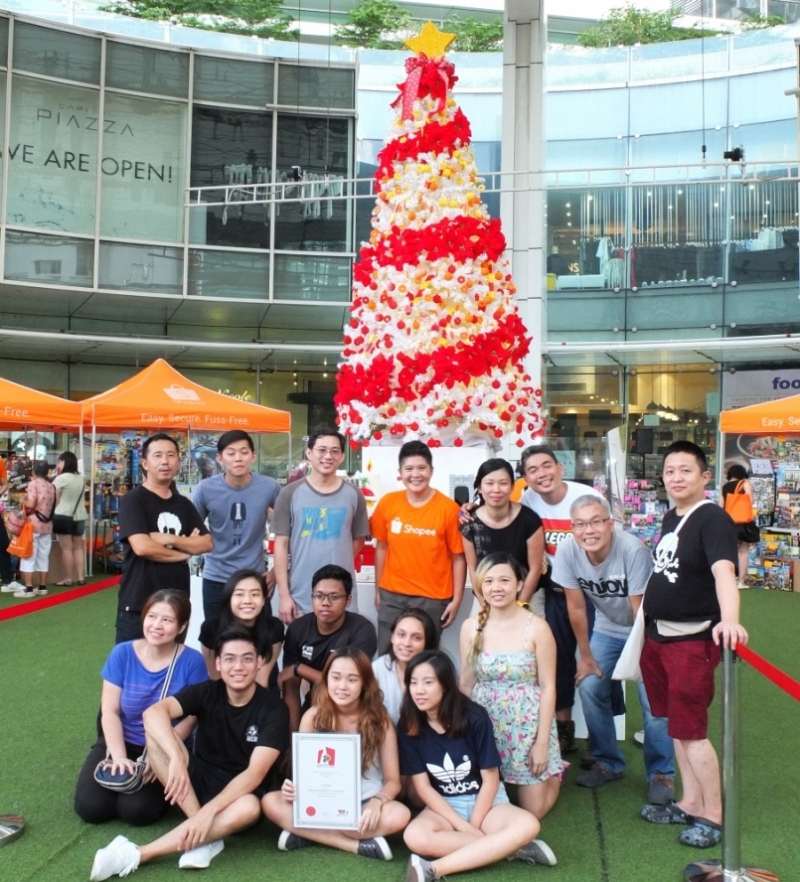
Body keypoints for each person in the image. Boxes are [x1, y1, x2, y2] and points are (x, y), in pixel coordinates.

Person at [89, 625, 289, 879]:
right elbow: (153, 713)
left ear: (259, 662)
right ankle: (206, 837)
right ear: (218, 663)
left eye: (247, 659)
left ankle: (139, 853)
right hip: (197, 780)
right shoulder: (207, 691)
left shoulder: (273, 709)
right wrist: (175, 757)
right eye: (229, 659)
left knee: (250, 807)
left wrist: (207, 813)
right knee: (157, 735)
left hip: (239, 792)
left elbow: (254, 774)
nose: (238, 667)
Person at [639, 441, 748, 849]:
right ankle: (689, 802)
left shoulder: (712, 518)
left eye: (685, 470)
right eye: (670, 471)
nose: (676, 478)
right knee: (676, 726)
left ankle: (713, 815)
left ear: (705, 476)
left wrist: (730, 620)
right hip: (659, 637)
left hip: (690, 640)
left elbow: (724, 572)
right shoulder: (672, 517)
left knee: (692, 731)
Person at [553, 495, 675, 802]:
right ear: (572, 528)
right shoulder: (568, 551)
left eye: (596, 522)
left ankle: (661, 773)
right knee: (590, 685)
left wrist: (646, 663)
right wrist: (586, 656)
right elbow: (576, 607)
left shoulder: (632, 550)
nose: (588, 530)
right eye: (580, 524)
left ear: (610, 523)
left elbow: (640, 612)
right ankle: (607, 762)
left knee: (654, 702)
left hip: (646, 629)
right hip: (607, 627)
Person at [399, 650, 555, 882]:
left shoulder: (474, 717)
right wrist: (462, 826)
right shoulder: (408, 724)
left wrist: (474, 824)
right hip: (444, 804)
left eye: (428, 682)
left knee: (528, 825)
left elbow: (491, 780)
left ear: (445, 685)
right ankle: (512, 847)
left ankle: (433, 869)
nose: (419, 690)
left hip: (487, 800)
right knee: (414, 837)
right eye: (413, 683)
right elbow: (423, 788)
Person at [74, 590, 208, 826]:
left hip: (165, 744)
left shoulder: (192, 661)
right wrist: (119, 757)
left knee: (137, 811)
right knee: (91, 807)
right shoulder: (122, 653)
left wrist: (159, 756)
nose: (156, 625)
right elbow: (110, 712)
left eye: (167, 620)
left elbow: (193, 717)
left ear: (181, 626)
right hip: (122, 740)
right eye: (152, 616)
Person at [263, 647, 411, 860]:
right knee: (270, 801)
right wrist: (293, 788)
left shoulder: (380, 722)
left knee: (400, 814)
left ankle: (308, 834)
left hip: (363, 804)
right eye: (335, 678)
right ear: (326, 680)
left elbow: (393, 781)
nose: (342, 686)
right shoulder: (313, 717)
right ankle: (354, 844)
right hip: (321, 802)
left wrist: (377, 802)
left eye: (352, 680)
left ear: (365, 683)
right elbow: (304, 774)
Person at [516, 444, 609, 755]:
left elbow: (610, 543)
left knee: (597, 663)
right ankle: (564, 730)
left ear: (560, 468)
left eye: (546, 466)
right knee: (557, 663)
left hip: (593, 597)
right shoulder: (527, 500)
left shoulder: (587, 498)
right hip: (556, 596)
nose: (541, 474)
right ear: (526, 478)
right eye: (532, 470)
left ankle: (601, 739)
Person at [459, 553, 562, 827]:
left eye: (504, 580)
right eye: (489, 581)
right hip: (484, 724)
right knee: (478, 805)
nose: (496, 588)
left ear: (519, 584)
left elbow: (548, 687)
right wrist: (457, 733)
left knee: (532, 812)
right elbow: (466, 684)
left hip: (526, 727)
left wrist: (542, 744)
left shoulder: (538, 628)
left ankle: (555, 772)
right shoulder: (470, 627)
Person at [370, 440, 466, 652]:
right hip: (392, 595)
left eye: (422, 468)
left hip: (433, 599)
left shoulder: (449, 509)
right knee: (387, 655)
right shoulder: (388, 503)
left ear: (431, 470)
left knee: (425, 660)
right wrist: (378, 590)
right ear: (400, 472)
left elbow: (458, 557)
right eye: (409, 469)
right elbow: (382, 547)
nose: (415, 474)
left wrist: (457, 599)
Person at [115, 433, 212, 643]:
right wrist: (183, 554)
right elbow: (143, 547)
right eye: (158, 455)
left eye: (170, 455)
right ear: (145, 463)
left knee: (172, 662)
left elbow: (206, 543)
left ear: (178, 461)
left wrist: (170, 539)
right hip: (139, 603)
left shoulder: (184, 505)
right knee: (133, 662)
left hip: (176, 604)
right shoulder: (133, 500)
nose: (165, 461)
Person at [272, 428, 369, 624]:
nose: (328, 456)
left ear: (342, 456)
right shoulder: (290, 493)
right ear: (309, 453)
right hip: (301, 596)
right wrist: (284, 595)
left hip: (341, 596)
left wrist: (338, 558)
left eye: (335, 451)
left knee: (343, 643)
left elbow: (359, 539)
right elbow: (280, 545)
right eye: (321, 450)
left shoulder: (354, 494)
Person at [193, 430, 280, 621]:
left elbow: (289, 530)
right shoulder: (205, 489)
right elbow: (192, 530)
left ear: (253, 456)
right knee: (215, 634)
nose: (238, 458)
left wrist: (276, 572)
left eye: (244, 452)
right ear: (220, 458)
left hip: (254, 577)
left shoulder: (269, 487)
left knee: (259, 634)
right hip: (216, 577)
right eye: (231, 453)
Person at [280, 564, 377, 730]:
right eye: (319, 596)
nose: (325, 603)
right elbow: (290, 687)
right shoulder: (298, 629)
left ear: (348, 600)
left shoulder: (362, 630)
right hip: (316, 705)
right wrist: (294, 737)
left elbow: (348, 684)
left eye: (334, 597)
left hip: (355, 709)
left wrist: (299, 668)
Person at [459, 458, 544, 608]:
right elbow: (473, 569)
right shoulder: (470, 522)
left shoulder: (529, 520)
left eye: (503, 483)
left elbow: (535, 567)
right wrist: (485, 606)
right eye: (489, 483)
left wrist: (520, 605)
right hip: (486, 597)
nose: (496, 489)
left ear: (512, 487)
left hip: (527, 596)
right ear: (479, 487)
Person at [198, 569, 284, 693]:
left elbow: (261, 680)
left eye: (255, 594)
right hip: (221, 696)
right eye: (239, 594)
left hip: (259, 696)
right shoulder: (211, 629)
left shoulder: (273, 628)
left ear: (263, 600)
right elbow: (216, 679)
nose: (247, 600)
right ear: (229, 599)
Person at [372, 608, 438, 723]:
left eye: (416, 638)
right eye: (401, 635)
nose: (407, 643)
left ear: (427, 642)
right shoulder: (377, 669)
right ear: (392, 637)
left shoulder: (439, 670)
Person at [13, 460, 55, 599]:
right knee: (43, 556)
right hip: (47, 525)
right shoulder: (51, 486)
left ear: (34, 471)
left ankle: (29, 588)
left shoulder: (33, 483)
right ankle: (42, 586)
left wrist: (23, 502)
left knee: (28, 556)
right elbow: (57, 503)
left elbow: (31, 503)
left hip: (33, 525)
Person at [52, 451, 88, 586]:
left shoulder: (61, 478)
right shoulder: (82, 478)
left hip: (63, 515)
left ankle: (67, 578)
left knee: (66, 548)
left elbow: (55, 498)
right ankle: (80, 577)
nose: (58, 464)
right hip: (80, 515)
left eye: (59, 461)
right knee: (78, 548)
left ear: (64, 462)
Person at [721, 463, 759, 590]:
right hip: (742, 522)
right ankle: (741, 581)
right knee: (743, 551)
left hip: (728, 522)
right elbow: (750, 501)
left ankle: (729, 579)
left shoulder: (725, 487)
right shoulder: (744, 484)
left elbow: (721, 506)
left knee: (729, 551)